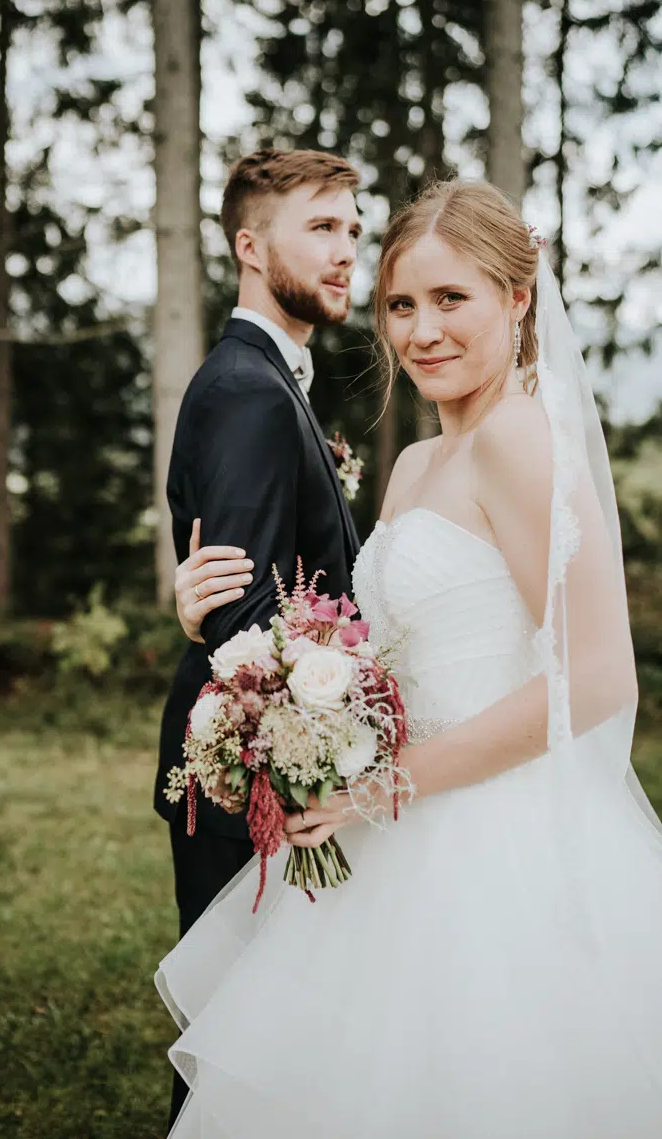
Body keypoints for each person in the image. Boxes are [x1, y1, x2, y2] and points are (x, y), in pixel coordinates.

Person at [157, 179, 662, 1138]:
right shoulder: (421, 463)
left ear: (517, 300)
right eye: (400, 305)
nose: (421, 330)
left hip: (491, 844)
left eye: (449, 299)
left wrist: (381, 787)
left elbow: (597, 677)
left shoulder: (520, 440)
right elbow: (363, 641)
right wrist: (214, 628)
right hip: (388, 834)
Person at [153, 147, 363, 1131]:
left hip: (262, 766)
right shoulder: (246, 386)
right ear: (249, 245)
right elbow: (244, 617)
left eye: (353, 229)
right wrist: (316, 761)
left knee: (268, 1047)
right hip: (250, 777)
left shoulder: (271, 378)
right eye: (321, 226)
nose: (346, 250)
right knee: (239, 1054)